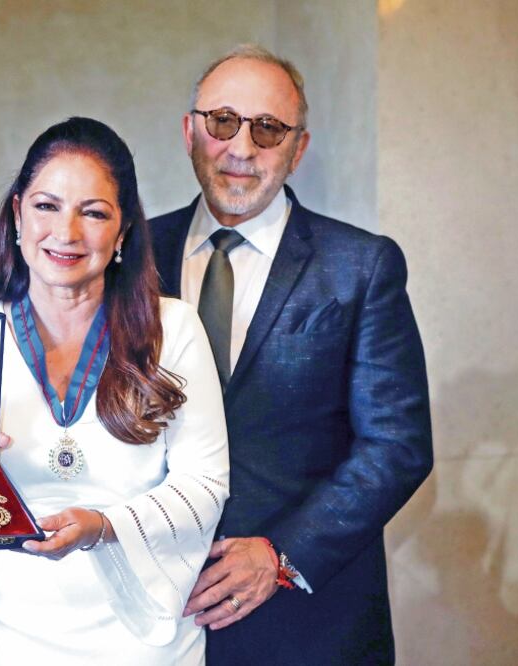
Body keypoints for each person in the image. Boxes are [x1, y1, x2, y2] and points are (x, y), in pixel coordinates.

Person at [149, 45, 433, 664]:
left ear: (299, 148)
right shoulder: (132, 255)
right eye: (222, 121)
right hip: (150, 614)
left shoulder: (360, 266)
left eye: (268, 129)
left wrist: (280, 555)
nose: (241, 148)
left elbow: (397, 444)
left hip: (307, 623)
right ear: (189, 132)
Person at [0, 117, 230, 664]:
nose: (66, 232)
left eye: (94, 212)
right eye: (46, 206)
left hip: (141, 641)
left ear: (124, 230)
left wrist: (103, 526)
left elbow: (205, 483)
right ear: (16, 214)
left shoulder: (171, 329)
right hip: (2, 634)